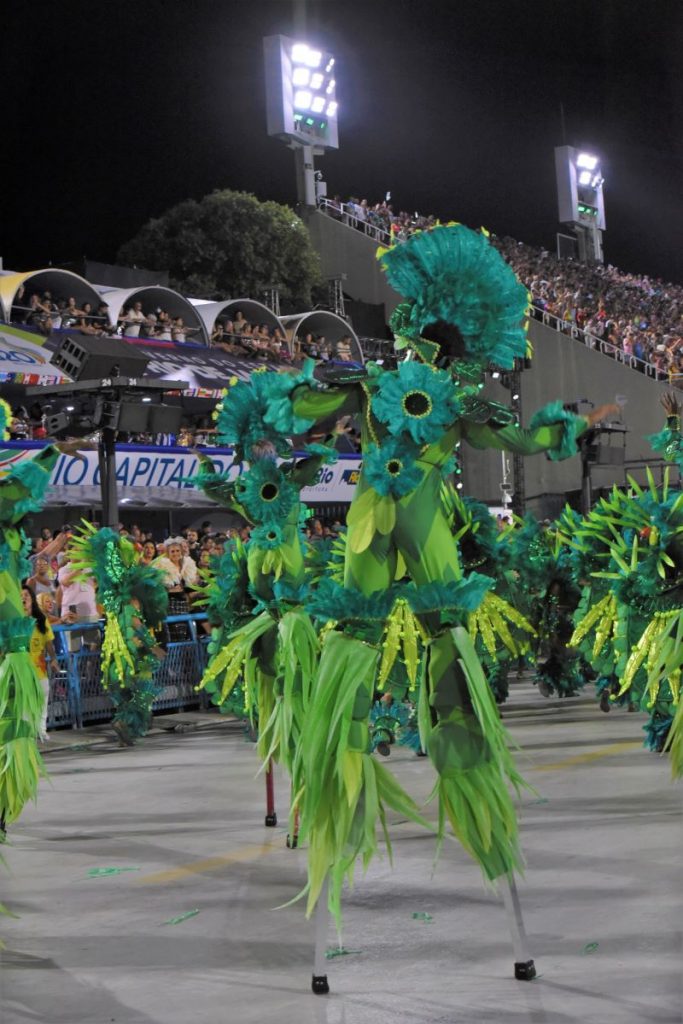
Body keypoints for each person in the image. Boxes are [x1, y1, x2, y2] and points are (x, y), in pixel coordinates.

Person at [22, 585, 57, 742]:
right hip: (20, 670)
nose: (23, 598)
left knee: (43, 696)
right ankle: (28, 731)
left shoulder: (41, 620)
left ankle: (41, 730)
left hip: (39, 668)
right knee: (24, 701)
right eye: (21, 596)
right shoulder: (13, 619)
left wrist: (54, 659)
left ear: (32, 600)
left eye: (27, 596)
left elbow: (49, 642)